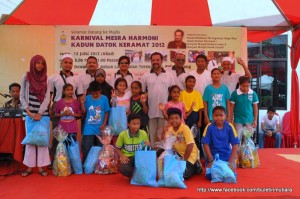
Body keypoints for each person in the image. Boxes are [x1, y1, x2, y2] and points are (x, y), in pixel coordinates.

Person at [20, 55, 51, 177]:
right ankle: (29, 167)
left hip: (43, 115)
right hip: (29, 114)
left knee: (42, 141)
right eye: (37, 63)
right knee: (31, 141)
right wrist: (28, 111)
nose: (40, 66)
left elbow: (48, 98)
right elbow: (22, 96)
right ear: (33, 64)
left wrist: (40, 113)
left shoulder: (47, 79)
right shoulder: (26, 77)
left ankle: (41, 168)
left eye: (42, 63)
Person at [49, 54, 84, 163]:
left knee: (72, 134)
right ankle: (56, 160)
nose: (68, 65)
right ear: (61, 63)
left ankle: (72, 160)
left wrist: (80, 107)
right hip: (58, 106)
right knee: (57, 134)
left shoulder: (76, 78)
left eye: (70, 63)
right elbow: (49, 94)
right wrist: (49, 107)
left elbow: (79, 95)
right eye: (66, 62)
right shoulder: (53, 77)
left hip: (73, 107)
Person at [141, 52, 175, 148]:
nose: (155, 62)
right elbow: (143, 93)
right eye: (153, 60)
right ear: (151, 61)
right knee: (152, 138)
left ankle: (162, 158)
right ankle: (153, 157)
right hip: (151, 112)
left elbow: (173, 93)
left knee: (164, 137)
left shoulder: (169, 75)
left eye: (157, 60)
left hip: (165, 113)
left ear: (162, 61)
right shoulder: (146, 75)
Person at [201, 106, 239, 180]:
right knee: (209, 176)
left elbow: (235, 144)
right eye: (216, 115)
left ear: (225, 116)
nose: (218, 118)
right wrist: (211, 160)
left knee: (231, 175)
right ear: (212, 116)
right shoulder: (209, 127)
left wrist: (231, 161)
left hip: (227, 158)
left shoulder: (230, 126)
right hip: (214, 158)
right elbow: (205, 144)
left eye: (221, 115)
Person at [163, 108, 200, 180]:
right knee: (161, 153)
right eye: (171, 118)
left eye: (176, 118)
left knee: (183, 174)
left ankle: (196, 166)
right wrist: (164, 132)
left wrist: (184, 161)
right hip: (178, 155)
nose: (174, 120)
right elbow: (166, 144)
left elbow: (190, 145)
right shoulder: (170, 129)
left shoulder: (185, 128)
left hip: (189, 157)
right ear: (169, 120)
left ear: (181, 118)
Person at [80, 81, 110, 162]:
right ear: (90, 91)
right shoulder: (87, 98)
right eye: (93, 93)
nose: (95, 95)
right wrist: (82, 103)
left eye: (97, 93)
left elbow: (107, 112)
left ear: (100, 90)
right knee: (86, 148)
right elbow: (83, 111)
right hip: (88, 128)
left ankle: (98, 165)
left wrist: (104, 124)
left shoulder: (104, 98)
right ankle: (86, 164)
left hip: (100, 128)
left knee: (99, 148)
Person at [115, 113, 149, 178]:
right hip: (128, 157)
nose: (136, 126)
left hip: (140, 157)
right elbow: (117, 148)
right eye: (134, 124)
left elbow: (146, 148)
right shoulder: (122, 134)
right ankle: (133, 174)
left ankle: (137, 174)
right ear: (128, 124)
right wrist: (122, 156)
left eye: (138, 124)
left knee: (148, 167)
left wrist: (148, 145)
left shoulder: (143, 133)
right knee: (124, 169)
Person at [179, 75, 204, 152]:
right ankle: (185, 152)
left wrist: (199, 121)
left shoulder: (197, 94)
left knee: (195, 136)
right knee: (185, 136)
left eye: (193, 82)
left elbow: (200, 108)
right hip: (185, 116)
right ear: (186, 83)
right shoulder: (182, 93)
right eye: (189, 81)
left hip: (195, 116)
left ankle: (196, 153)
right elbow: (179, 107)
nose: (191, 83)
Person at [230, 76, 259, 140]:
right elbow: (231, 107)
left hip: (249, 120)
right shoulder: (234, 94)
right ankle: (237, 150)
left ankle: (245, 150)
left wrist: (255, 120)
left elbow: (255, 108)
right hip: (238, 120)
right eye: (243, 86)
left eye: (247, 86)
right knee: (237, 138)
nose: (245, 88)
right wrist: (231, 118)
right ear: (239, 84)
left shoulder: (253, 93)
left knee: (247, 139)